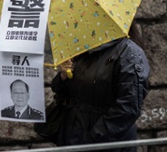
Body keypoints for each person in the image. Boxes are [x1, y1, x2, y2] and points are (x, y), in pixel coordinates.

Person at [51, 22, 150, 151]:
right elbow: (66, 93)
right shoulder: (84, 49)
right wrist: (64, 76)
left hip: (107, 142)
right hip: (75, 136)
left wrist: (93, 138)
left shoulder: (129, 52)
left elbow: (129, 106)